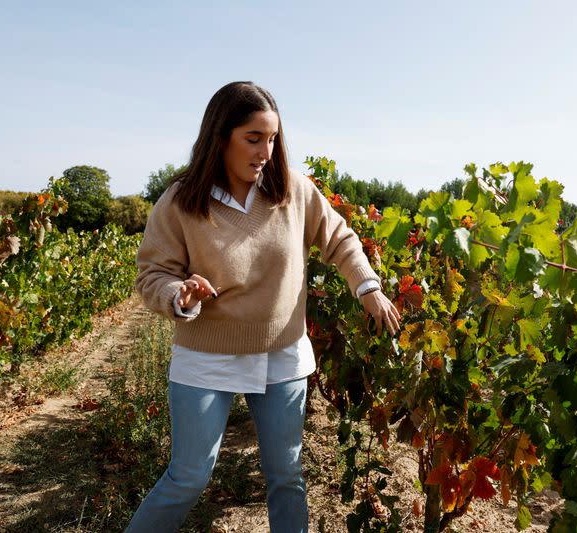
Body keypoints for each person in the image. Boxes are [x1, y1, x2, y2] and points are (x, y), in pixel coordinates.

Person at [126, 81, 400, 533]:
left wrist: (367, 286)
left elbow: (340, 238)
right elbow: (152, 274)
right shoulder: (180, 201)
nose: (265, 152)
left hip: (282, 355)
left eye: (272, 139)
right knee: (189, 477)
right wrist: (180, 294)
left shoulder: (293, 191)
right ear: (220, 137)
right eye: (253, 139)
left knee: (287, 477)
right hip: (206, 356)